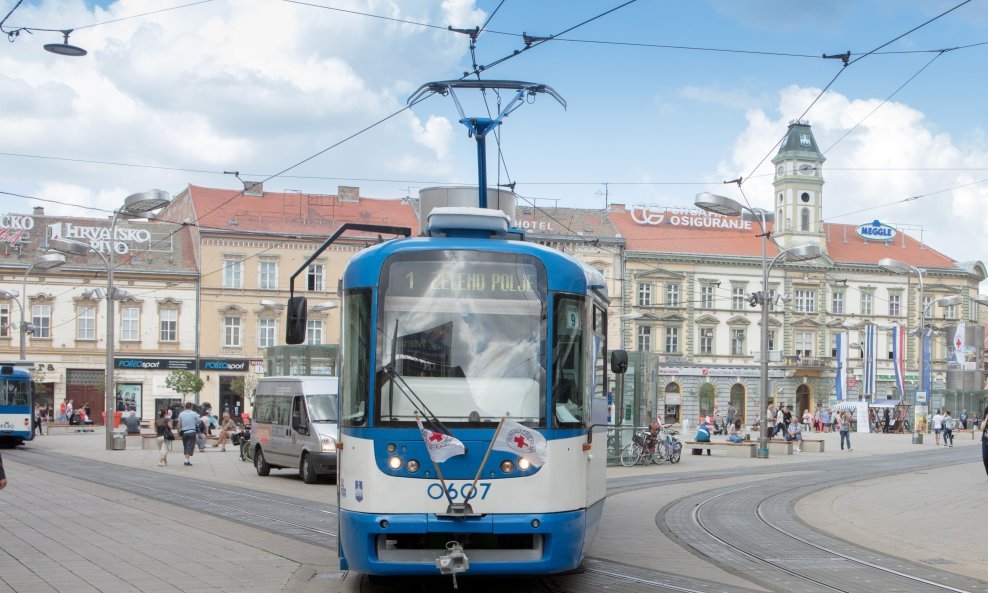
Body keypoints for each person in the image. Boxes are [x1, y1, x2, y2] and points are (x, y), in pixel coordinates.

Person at [177, 402, 199, 466]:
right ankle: (186, 460)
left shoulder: (181, 414)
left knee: (186, 446)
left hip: (184, 432)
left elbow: (179, 424)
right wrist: (194, 422)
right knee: (190, 446)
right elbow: (199, 421)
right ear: (191, 407)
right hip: (192, 432)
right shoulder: (194, 413)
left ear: (185, 407)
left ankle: (187, 460)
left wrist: (178, 431)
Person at [979, 406, 988, 481]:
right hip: (985, 440)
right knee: (985, 458)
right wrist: (986, 419)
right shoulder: (984, 420)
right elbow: (982, 428)